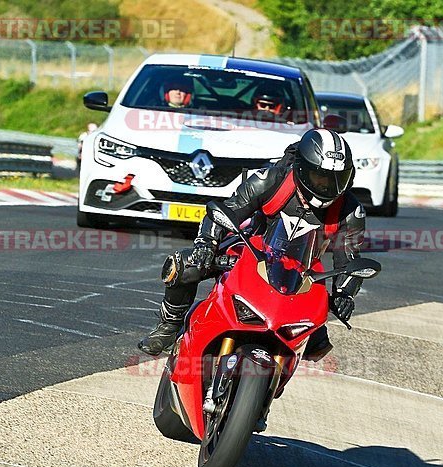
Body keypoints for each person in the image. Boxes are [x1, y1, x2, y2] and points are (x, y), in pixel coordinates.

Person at [138, 128, 366, 360]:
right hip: (250, 252)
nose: (329, 187)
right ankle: (168, 327)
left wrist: (344, 294)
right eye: (322, 178)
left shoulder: (350, 210)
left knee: (318, 344)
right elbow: (227, 210)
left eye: (339, 179)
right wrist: (206, 244)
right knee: (185, 264)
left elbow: (349, 260)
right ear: (302, 169)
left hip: (301, 275)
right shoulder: (271, 179)